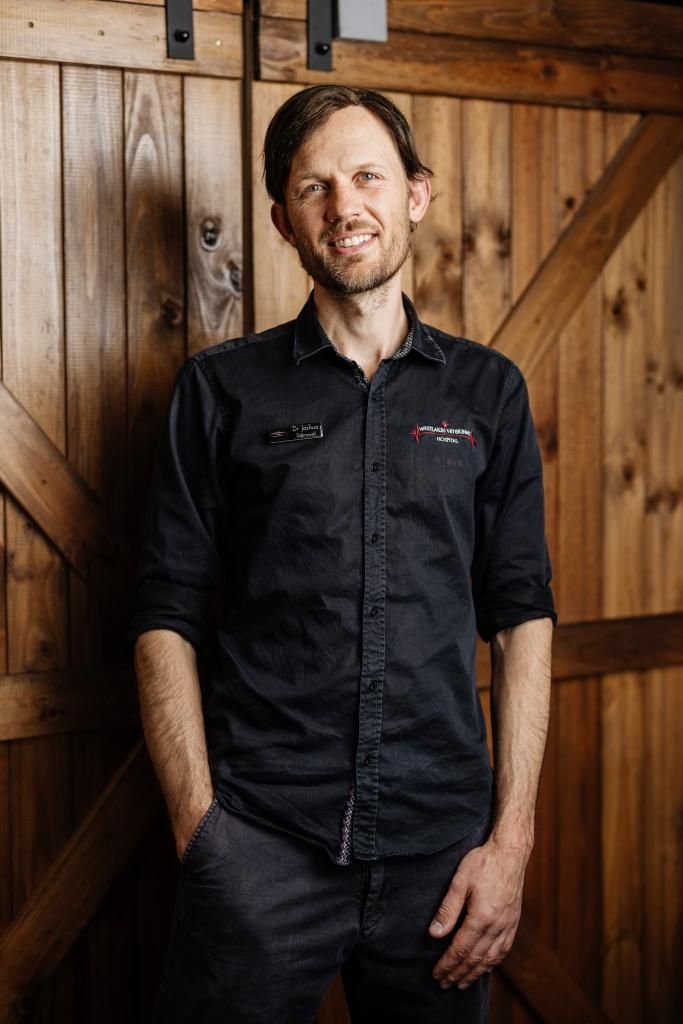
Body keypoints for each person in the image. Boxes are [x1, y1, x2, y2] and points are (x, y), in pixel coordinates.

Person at [129, 85, 556, 1024]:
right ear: (283, 220)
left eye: (366, 175)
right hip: (260, 850)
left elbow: (521, 614)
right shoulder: (218, 393)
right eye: (313, 187)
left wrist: (510, 844)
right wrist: (201, 832)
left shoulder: (489, 392)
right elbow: (165, 617)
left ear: (415, 192)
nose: (343, 206)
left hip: (443, 861)